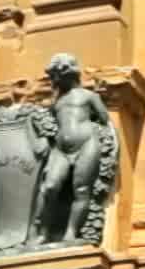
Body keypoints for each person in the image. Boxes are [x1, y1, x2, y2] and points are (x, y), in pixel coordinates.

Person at [29, 54, 114, 245]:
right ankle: (42, 232)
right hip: (61, 149)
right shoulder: (56, 101)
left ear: (68, 73)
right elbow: (48, 123)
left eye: (56, 76)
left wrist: (106, 148)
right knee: (49, 187)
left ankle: (71, 232)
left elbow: (104, 119)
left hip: (87, 143)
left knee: (81, 189)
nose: (54, 81)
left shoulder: (89, 96)